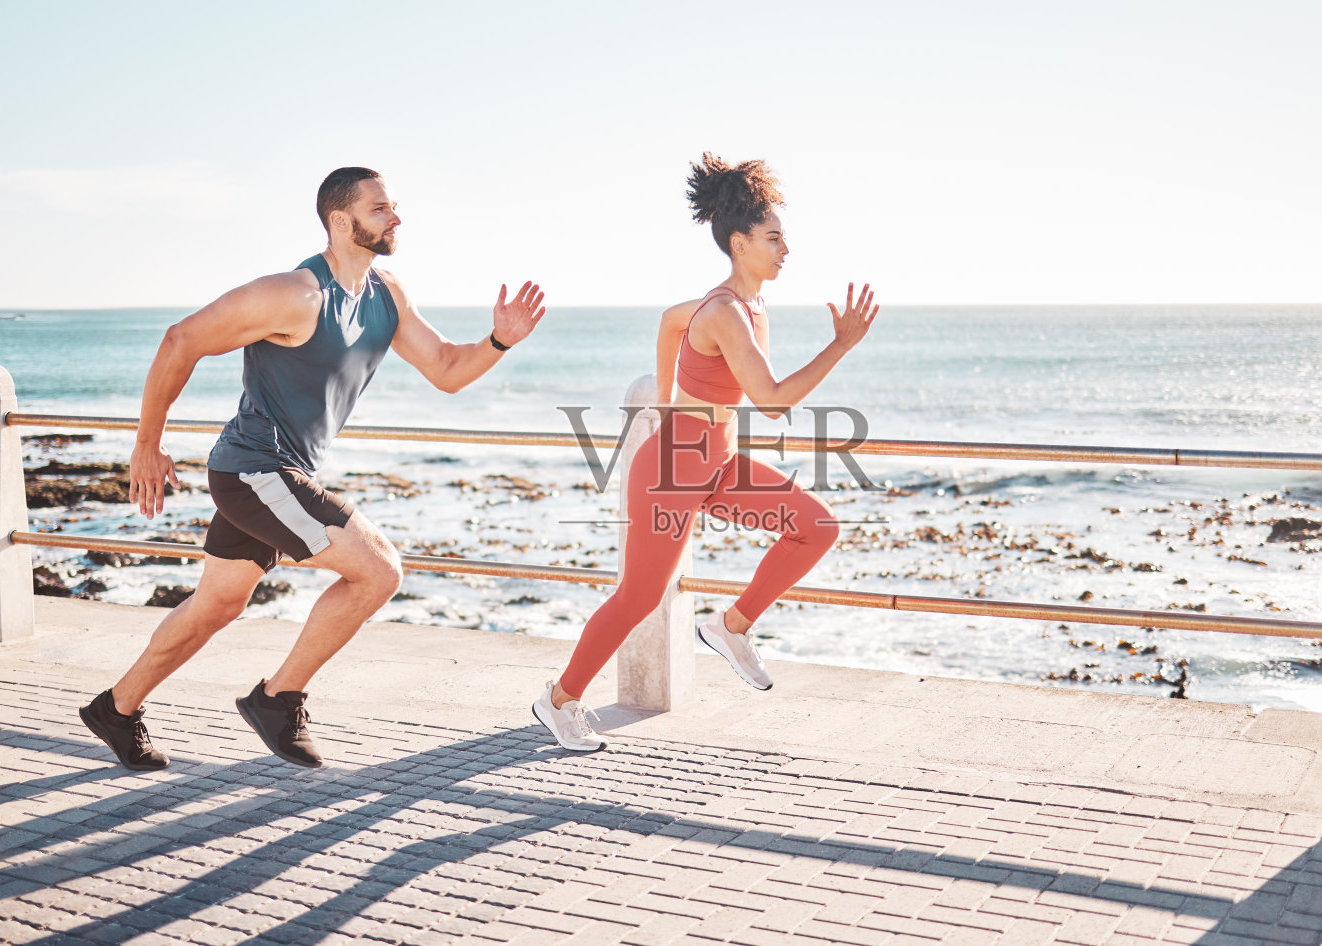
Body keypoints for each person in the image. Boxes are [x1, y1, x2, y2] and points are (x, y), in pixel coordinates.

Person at [79, 167, 546, 771]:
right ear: (339, 221)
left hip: (274, 477)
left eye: (395, 207)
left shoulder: (386, 294)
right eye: (381, 209)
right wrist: (148, 443)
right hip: (256, 471)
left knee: (216, 607)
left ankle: (115, 709)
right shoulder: (295, 294)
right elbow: (180, 340)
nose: (395, 218)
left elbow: (449, 369)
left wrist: (499, 341)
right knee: (378, 571)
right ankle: (278, 699)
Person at [532, 153, 877, 752]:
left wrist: (666, 401)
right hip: (672, 470)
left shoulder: (740, 306)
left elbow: (669, 324)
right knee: (639, 597)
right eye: (774, 239)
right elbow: (770, 400)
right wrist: (840, 345)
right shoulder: (725, 312)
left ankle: (731, 625)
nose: (785, 251)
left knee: (816, 526)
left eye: (784, 239)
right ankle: (558, 699)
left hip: (713, 464)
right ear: (740, 243)